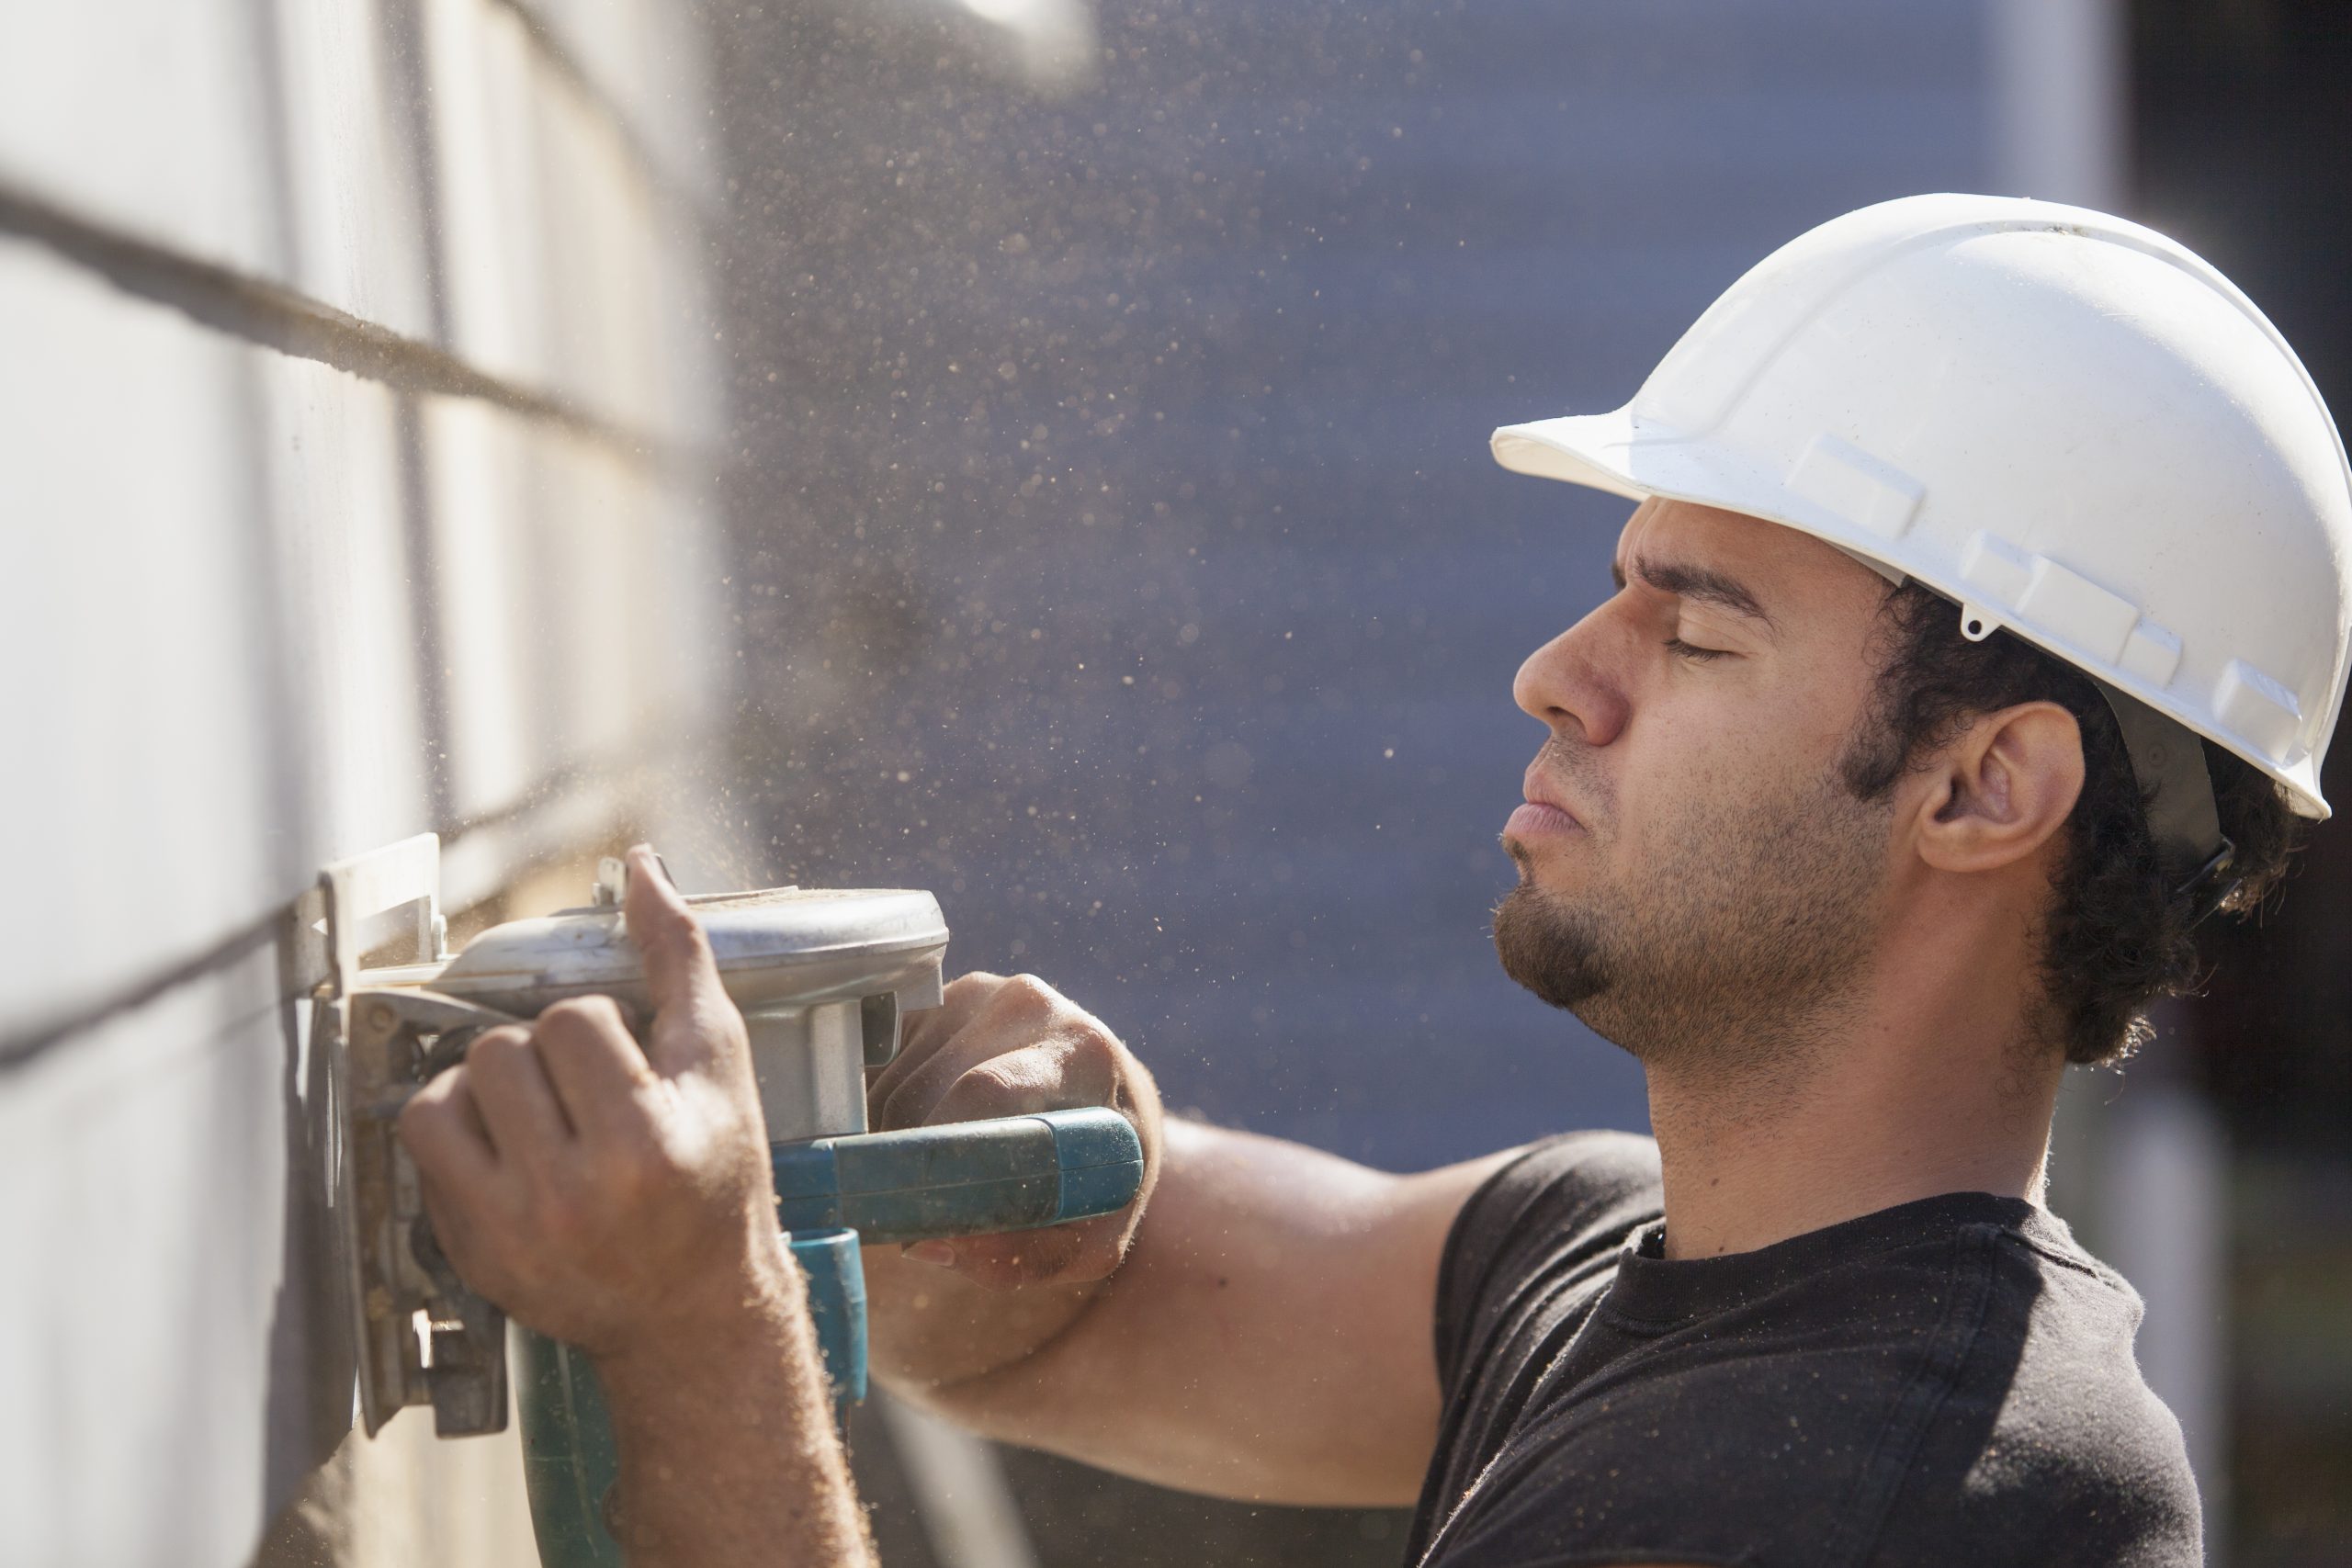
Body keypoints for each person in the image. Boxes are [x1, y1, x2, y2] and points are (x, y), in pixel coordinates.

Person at [397, 196, 2352, 1566]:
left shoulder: (1895, 1491)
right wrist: (1019, 1173)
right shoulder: (1610, 1265)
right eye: (1615, 589)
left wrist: (692, 1332)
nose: (1556, 675)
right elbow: (1054, 1326)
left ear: (1979, 783)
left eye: (1694, 633)